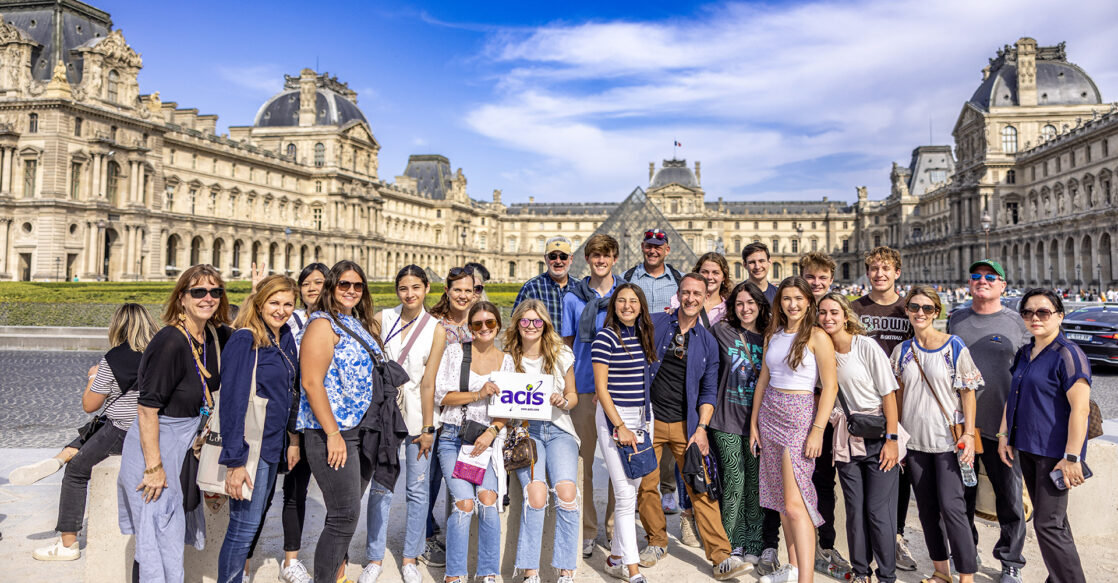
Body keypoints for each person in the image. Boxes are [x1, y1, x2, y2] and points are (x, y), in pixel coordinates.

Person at [117, 264, 233, 583]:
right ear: (181, 298)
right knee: (154, 532)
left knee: (167, 528)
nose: (207, 298)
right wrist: (154, 468)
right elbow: (146, 409)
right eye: (198, 292)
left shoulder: (212, 335)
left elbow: (252, 332)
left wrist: (257, 293)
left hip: (186, 447)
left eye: (215, 292)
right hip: (158, 448)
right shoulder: (169, 341)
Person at [636, 273, 750, 579]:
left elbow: (709, 390)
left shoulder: (709, 343)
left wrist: (701, 428)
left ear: (704, 297)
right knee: (647, 486)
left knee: (702, 487)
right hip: (650, 420)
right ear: (678, 294)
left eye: (696, 294)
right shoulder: (657, 324)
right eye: (685, 292)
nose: (690, 298)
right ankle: (656, 542)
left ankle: (721, 556)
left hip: (687, 426)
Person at [299, 260, 404, 583]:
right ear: (331, 287)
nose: (351, 291)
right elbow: (311, 383)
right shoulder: (321, 325)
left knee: (345, 513)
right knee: (344, 516)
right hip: (334, 433)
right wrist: (332, 433)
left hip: (364, 430)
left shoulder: (354, 322)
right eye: (344, 284)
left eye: (358, 286)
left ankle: (337, 576)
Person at [26, 304, 156, 562]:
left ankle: (68, 543)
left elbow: (89, 405)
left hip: (122, 430)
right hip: (157, 427)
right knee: (100, 425)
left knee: (76, 471)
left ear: (117, 326)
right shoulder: (161, 352)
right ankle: (66, 452)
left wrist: (93, 377)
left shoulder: (113, 359)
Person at [749, 277, 839, 583]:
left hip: (800, 417)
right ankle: (793, 568)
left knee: (794, 503)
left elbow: (830, 387)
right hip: (770, 414)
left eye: (799, 298)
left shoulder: (817, 336)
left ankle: (806, 579)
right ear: (779, 303)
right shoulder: (772, 335)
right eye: (787, 298)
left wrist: (817, 430)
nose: (793, 304)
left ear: (809, 302)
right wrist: (753, 424)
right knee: (780, 502)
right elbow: (763, 379)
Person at [998, 289, 1091, 583]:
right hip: (1028, 447)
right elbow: (1013, 395)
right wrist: (1004, 434)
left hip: (1055, 453)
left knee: (1047, 524)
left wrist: (1072, 457)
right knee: (1055, 522)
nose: (1035, 318)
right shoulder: (1027, 352)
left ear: (1059, 316)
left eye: (1043, 312)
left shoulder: (1069, 354)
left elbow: (1081, 410)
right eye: (1028, 312)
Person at [890, 285, 981, 583]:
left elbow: (968, 394)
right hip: (915, 443)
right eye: (914, 307)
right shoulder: (901, 351)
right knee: (927, 512)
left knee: (953, 509)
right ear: (907, 311)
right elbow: (899, 398)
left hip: (948, 442)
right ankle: (941, 572)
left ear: (936, 312)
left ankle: (966, 576)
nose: (920, 313)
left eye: (927, 308)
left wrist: (968, 433)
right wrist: (898, 440)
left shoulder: (954, 346)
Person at [245, 262, 328, 583]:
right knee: (261, 493)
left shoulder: (335, 321)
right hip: (278, 416)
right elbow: (248, 329)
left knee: (297, 490)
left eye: (319, 282)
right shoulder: (286, 318)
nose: (312, 288)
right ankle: (246, 558)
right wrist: (256, 294)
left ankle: (290, 560)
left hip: (310, 418)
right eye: (306, 282)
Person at [949, 260, 1029, 583]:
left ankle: (1011, 562)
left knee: (1009, 498)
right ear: (969, 284)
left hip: (1002, 427)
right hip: (965, 428)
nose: (982, 281)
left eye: (990, 277)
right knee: (962, 496)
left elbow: (1028, 372)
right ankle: (968, 552)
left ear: (1002, 285)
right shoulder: (956, 319)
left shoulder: (1018, 323)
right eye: (976, 276)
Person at [217, 275, 301, 583]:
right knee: (242, 528)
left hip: (273, 445)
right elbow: (233, 403)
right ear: (260, 302)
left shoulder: (286, 336)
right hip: (250, 447)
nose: (281, 310)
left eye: (288, 304)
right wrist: (235, 461)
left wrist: (293, 439)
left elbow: (292, 391)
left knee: (251, 524)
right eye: (274, 303)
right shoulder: (245, 339)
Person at [818, 292, 901, 583]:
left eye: (834, 312)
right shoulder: (821, 351)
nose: (828, 318)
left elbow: (889, 394)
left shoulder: (865, 346)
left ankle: (887, 576)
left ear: (845, 315)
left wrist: (892, 440)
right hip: (845, 435)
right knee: (854, 510)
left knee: (878, 511)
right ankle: (862, 571)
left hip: (878, 436)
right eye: (823, 312)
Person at [363, 265, 440, 583]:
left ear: (426, 289)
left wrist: (427, 428)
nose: (409, 294)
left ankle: (410, 557)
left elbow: (429, 383)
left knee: (418, 490)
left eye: (416, 288)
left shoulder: (436, 328)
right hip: (386, 413)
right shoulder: (382, 318)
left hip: (418, 413)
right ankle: (374, 557)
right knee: (381, 487)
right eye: (404, 288)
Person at [433, 301, 512, 583]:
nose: (483, 328)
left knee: (488, 499)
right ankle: (454, 575)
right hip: (454, 439)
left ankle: (489, 573)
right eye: (477, 324)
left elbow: (509, 409)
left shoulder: (507, 360)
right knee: (465, 502)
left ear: (498, 326)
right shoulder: (455, 353)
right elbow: (440, 396)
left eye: (489, 323)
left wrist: (492, 430)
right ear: (470, 328)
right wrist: (478, 394)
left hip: (485, 445)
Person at [504, 300, 581, 583]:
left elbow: (573, 397)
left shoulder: (561, 354)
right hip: (527, 432)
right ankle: (530, 572)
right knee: (535, 496)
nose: (532, 326)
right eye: (525, 321)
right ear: (517, 324)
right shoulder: (508, 358)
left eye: (537, 321)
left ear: (546, 324)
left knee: (567, 494)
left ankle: (565, 571)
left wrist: (563, 399)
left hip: (559, 428)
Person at [850, 246, 916, 572]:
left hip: (906, 403)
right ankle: (871, 547)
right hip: (866, 406)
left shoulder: (911, 309)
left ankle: (898, 537)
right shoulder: (854, 309)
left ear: (897, 272)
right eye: (874, 268)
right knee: (871, 481)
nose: (880, 274)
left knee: (901, 478)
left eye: (886, 268)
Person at [592, 283, 656, 583]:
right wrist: (620, 426)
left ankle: (616, 556)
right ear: (613, 306)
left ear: (641, 306)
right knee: (625, 493)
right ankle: (632, 570)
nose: (627, 306)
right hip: (614, 420)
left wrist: (641, 425)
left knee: (632, 489)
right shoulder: (606, 337)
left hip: (643, 420)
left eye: (633, 301)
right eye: (621, 301)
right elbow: (601, 390)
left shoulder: (644, 336)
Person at [707, 282, 774, 566]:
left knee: (755, 486)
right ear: (732, 307)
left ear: (760, 305)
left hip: (761, 422)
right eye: (739, 304)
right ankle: (732, 543)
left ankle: (754, 543)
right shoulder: (722, 330)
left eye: (750, 303)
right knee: (734, 481)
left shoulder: (772, 336)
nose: (745, 309)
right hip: (726, 418)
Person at [561, 233, 620, 557]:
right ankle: (586, 530)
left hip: (616, 388)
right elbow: (567, 347)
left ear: (614, 258)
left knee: (616, 467)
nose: (600, 260)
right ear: (588, 259)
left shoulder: (625, 294)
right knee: (582, 465)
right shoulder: (573, 298)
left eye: (606, 255)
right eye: (595, 255)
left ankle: (612, 527)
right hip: (583, 387)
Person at [418, 266, 479, 567]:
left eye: (469, 290)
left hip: (467, 413)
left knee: (460, 475)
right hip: (438, 410)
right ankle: (425, 537)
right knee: (430, 478)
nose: (463, 295)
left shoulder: (481, 322)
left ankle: (450, 530)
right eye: (458, 290)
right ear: (447, 290)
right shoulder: (432, 324)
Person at [796, 251, 850, 577]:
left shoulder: (833, 313)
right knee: (795, 480)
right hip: (794, 410)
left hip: (827, 413)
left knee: (823, 481)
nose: (816, 283)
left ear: (831, 281)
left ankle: (825, 544)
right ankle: (799, 545)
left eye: (822, 279)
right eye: (811, 277)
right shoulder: (792, 309)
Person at [513, 236, 574, 328]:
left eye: (563, 256)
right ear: (546, 258)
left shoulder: (580, 287)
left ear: (571, 259)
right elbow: (516, 323)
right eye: (552, 256)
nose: (558, 261)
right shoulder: (530, 287)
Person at [624, 227, 684, 313]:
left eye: (657, 247)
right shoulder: (624, 279)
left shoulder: (682, 280)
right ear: (642, 247)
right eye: (648, 246)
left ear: (667, 250)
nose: (652, 251)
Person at [669, 251, 733, 325]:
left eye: (715, 273)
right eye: (704, 272)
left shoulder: (729, 307)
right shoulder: (679, 300)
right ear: (697, 274)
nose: (709, 277)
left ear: (724, 277)